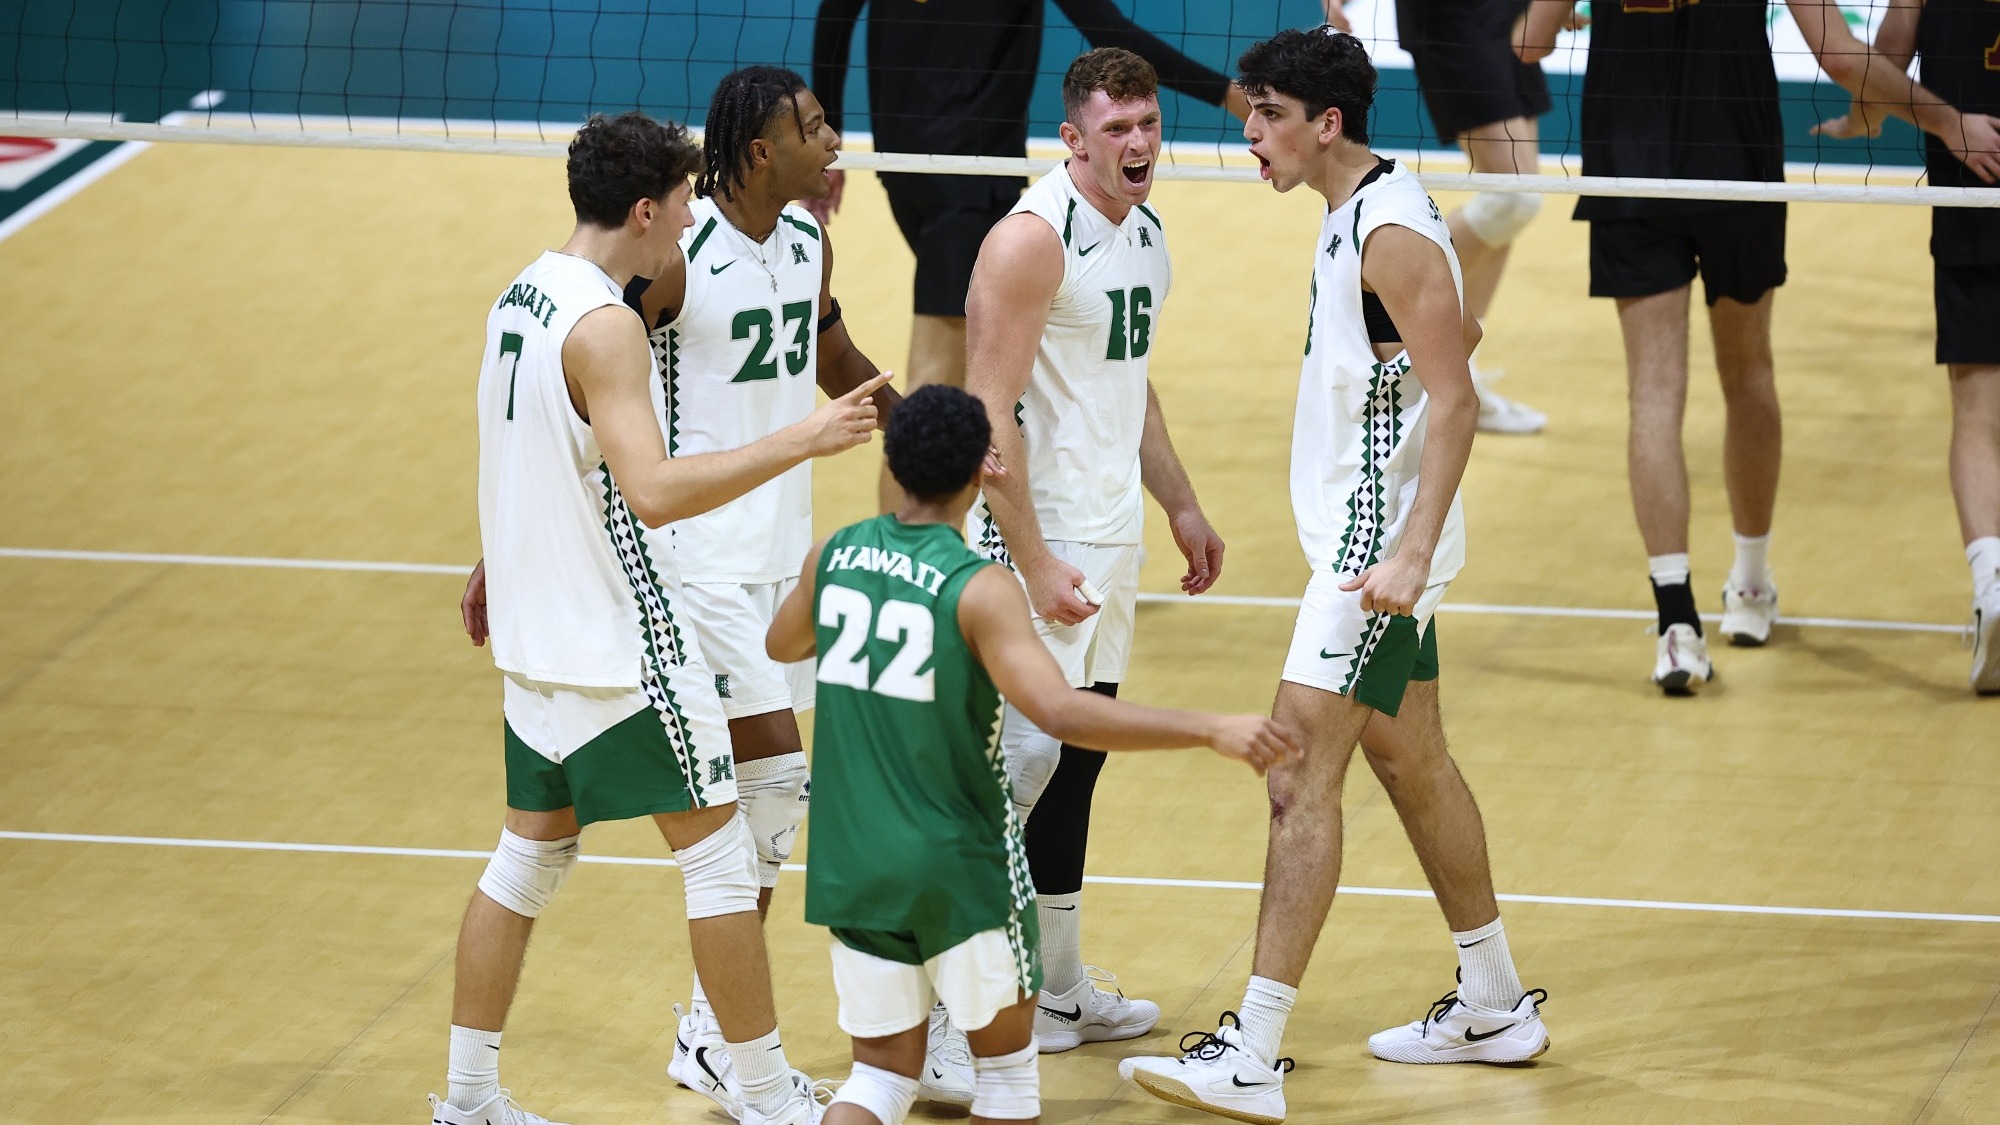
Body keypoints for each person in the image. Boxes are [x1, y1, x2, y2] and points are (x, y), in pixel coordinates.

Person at [1120, 31, 1545, 1124]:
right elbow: (1435, 351)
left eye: (1263, 114)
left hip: (1371, 559)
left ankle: (1252, 1053)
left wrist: (1405, 551)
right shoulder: (1355, 213)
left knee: (1292, 773)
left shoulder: (1389, 230)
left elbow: (1454, 395)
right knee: (1411, 759)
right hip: (1372, 544)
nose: (1244, 130)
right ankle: (1494, 1000)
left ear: (1327, 124)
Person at [441, 110, 889, 1125]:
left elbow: (528, 463)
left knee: (528, 856)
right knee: (723, 858)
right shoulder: (603, 329)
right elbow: (652, 491)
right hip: (621, 640)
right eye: (683, 204)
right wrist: (804, 438)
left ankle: (466, 1105)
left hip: (534, 642)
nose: (690, 224)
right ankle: (767, 1096)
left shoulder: (520, 296)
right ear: (644, 209)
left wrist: (494, 562)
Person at [765, 383, 1300, 1125]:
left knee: (879, 1080)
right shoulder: (979, 587)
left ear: (894, 458)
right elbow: (1061, 710)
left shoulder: (835, 554)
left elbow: (782, 643)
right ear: (981, 472)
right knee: (1008, 1083)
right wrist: (1207, 727)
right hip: (958, 862)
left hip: (854, 858)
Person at [1514, 0, 2000, 693]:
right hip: (1734, 162)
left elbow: (1526, 46)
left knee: (1653, 393)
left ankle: (1676, 626)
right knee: (1748, 373)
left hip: (1629, 165)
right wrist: (1947, 120)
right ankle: (1748, 584)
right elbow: (1837, 54)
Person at [616, 65, 898, 1115]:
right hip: (697, 555)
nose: (833, 141)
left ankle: (706, 1033)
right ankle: (732, 1054)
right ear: (758, 149)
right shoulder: (679, 257)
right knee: (772, 783)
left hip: (782, 548)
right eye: (813, 128)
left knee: (772, 799)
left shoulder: (807, 240)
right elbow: (597, 379)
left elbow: (825, 350)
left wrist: (914, 423)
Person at [962, 46, 1228, 1064]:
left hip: (1108, 533)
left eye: (1148, 125)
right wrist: (1030, 560)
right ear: (1070, 139)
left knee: (1078, 760)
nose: (1138, 145)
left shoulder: (1147, 232)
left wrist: (1181, 504)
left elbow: (1132, 382)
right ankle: (964, 1011)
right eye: (1115, 129)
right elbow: (989, 417)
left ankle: (1062, 986)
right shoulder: (1032, 240)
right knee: (1018, 769)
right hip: (1045, 535)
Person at [808, 0, 1251, 507]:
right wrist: (1234, 98)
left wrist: (826, 140)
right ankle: (908, 562)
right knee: (940, 381)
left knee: (1001, 351)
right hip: (971, 172)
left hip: (905, 161)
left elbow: (834, 17)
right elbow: (1109, 29)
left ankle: (1052, 502)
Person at [1819, 0, 2000, 693]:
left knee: (1977, 413)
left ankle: (1991, 582)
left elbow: (1881, 67)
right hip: (1971, 200)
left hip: (1974, 195)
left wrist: (1857, 121)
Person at [1322, 0, 1554, 435]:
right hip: (1456, 20)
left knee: (1508, 200)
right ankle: (1407, 338)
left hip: (1510, 13)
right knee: (1512, 201)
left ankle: (1459, 367)